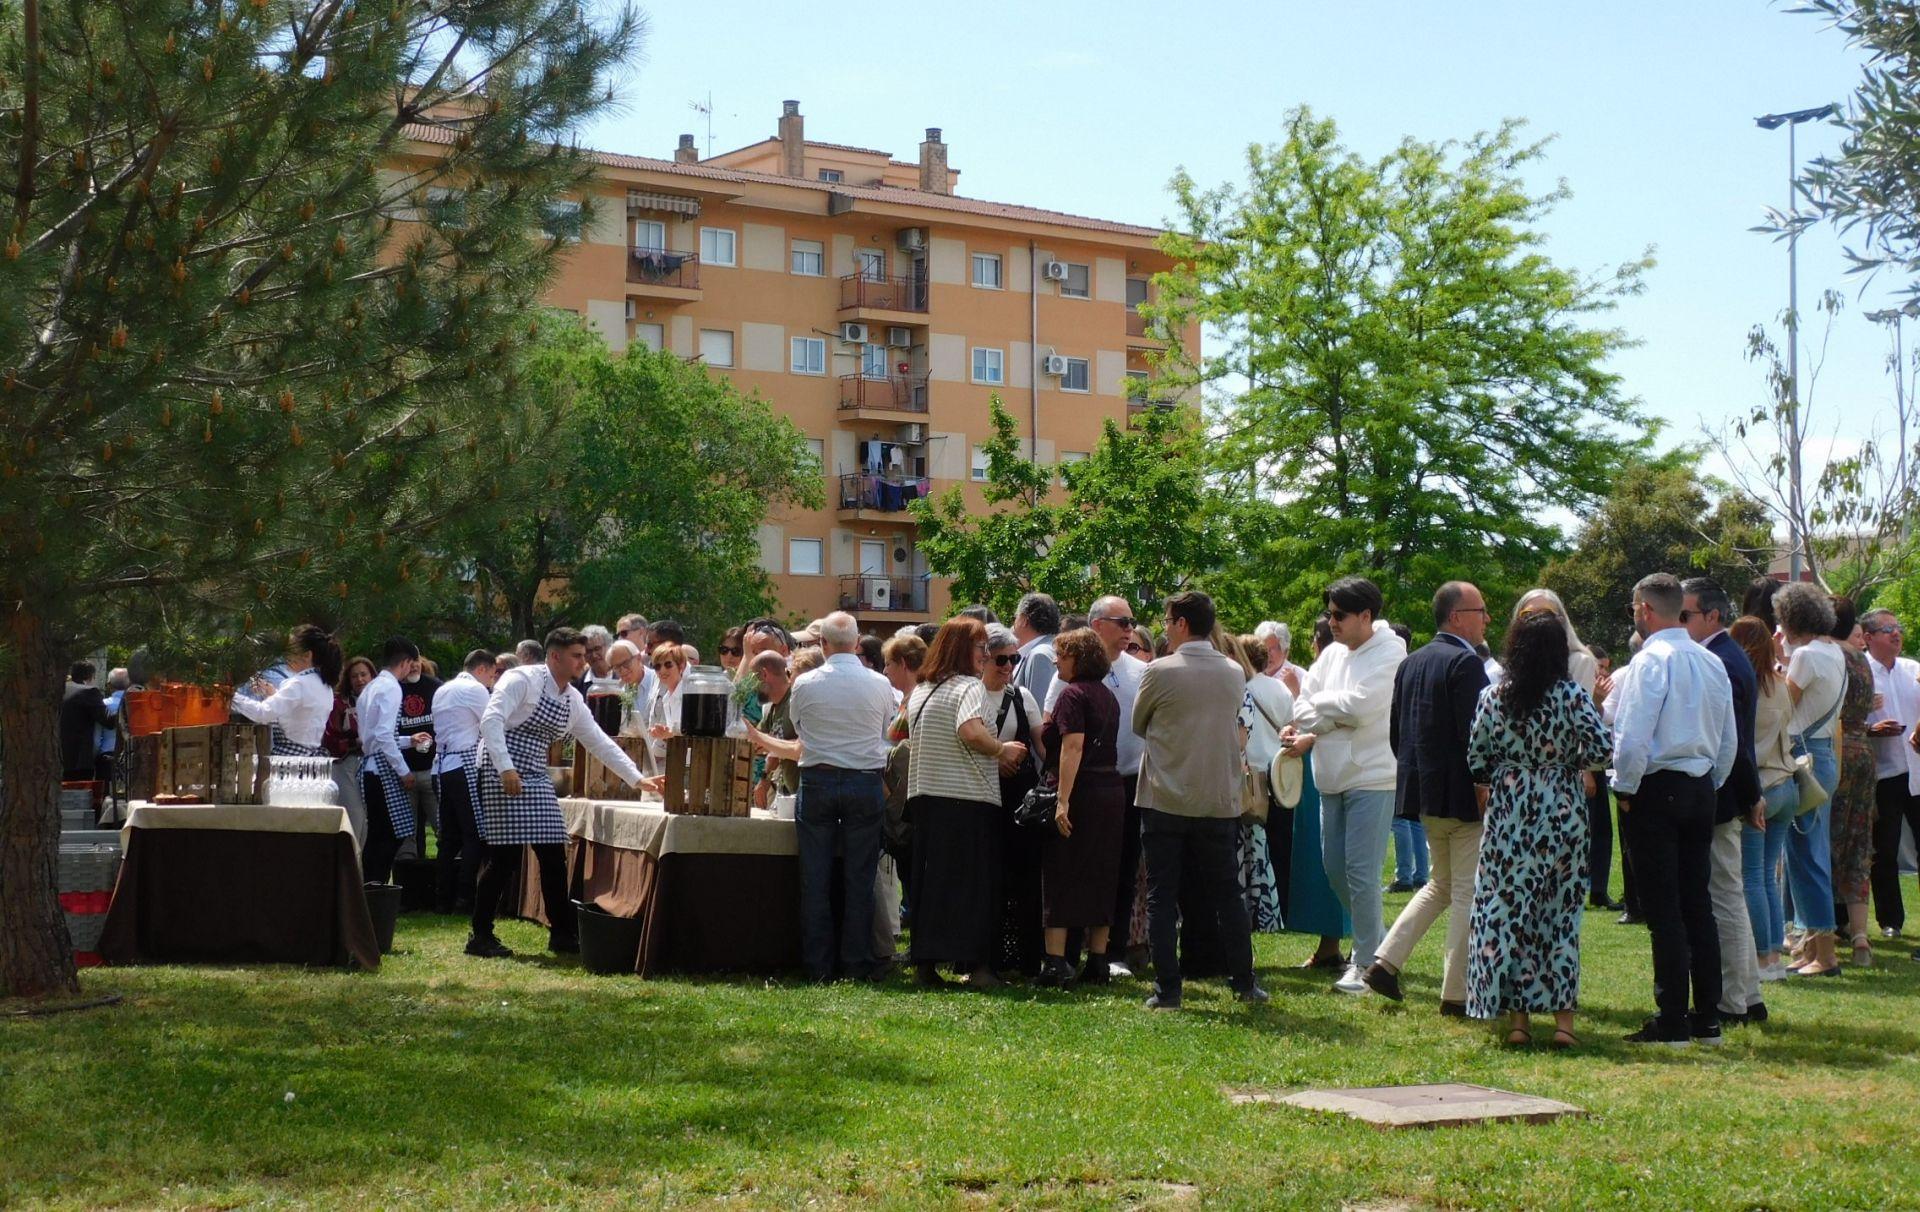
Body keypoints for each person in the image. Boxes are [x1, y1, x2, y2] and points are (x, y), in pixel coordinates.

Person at [1464, 610, 1614, 1048]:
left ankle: (1518, 1022)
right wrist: (1571, 766)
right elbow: (1603, 748)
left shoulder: (1493, 697)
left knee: (1512, 910)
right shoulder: (1572, 696)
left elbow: (1476, 757)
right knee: (1561, 914)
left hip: (1510, 809)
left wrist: (1508, 771)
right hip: (1563, 808)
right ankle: (1564, 1025)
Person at [1611, 572, 1738, 1047]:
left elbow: (1633, 732)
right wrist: (1713, 779)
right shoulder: (1710, 661)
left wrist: (1624, 787)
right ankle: (1706, 1016)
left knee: (1665, 910)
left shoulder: (1651, 661)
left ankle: (1671, 1018)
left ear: (1644, 609)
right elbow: (1728, 736)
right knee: (1697, 904)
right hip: (1701, 784)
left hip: (1657, 785)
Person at [468, 628, 644, 957]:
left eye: (584, 654)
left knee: (553, 855)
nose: (584, 661)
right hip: (498, 768)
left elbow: (599, 742)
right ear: (554, 656)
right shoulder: (521, 680)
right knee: (503, 858)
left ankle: (561, 934)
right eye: (577, 655)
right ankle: (479, 936)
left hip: (534, 774)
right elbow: (490, 721)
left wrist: (637, 779)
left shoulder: (571, 698)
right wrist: (506, 768)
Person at [1133, 591, 1267, 1009]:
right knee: (1227, 894)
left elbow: (1140, 722)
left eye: (1168, 620)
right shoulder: (1233, 672)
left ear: (1181, 624)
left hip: (1165, 795)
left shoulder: (1159, 671)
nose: (1164, 628)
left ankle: (1167, 989)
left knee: (1161, 895)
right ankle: (1245, 981)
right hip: (1217, 798)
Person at [1364, 581, 1491, 1014]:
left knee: (1440, 884)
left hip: (1422, 793)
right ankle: (1455, 994)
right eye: (1480, 611)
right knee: (1465, 892)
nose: (1486, 619)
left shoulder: (1411, 661)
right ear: (1457, 617)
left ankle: (1385, 961)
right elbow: (1476, 737)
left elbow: (1398, 733)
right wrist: (1482, 783)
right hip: (1462, 796)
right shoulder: (1467, 664)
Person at [1289, 576, 1407, 995]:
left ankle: (1367, 964)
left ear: (1366, 616)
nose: (1332, 623)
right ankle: (1382, 945)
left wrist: (1326, 711)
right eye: (1330, 614)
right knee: (1335, 871)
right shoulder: (1331, 656)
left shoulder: (1390, 652)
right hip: (1330, 776)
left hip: (1372, 777)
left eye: (1339, 615)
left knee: (1360, 872)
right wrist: (1331, 714)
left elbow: (1361, 707)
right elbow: (1300, 708)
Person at [905, 617, 1028, 989]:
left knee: (932, 886)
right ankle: (978, 968)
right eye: (980, 648)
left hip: (927, 798)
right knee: (975, 887)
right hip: (969, 800)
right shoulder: (969, 688)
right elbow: (970, 730)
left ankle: (925, 964)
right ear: (962, 650)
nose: (985, 655)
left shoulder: (924, 689)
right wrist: (1002, 750)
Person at [788, 612, 898, 982]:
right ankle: (856, 962)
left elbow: (800, 728)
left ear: (822, 645)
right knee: (860, 877)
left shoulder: (805, 683)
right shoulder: (880, 684)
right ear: (856, 643)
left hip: (817, 779)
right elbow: (886, 728)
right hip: (864, 780)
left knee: (814, 878)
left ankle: (818, 965)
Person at [1681, 577, 1766, 1024]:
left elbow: (1731, 743)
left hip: (1720, 793)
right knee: (1727, 894)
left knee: (1724, 896)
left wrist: (1749, 794)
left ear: (1712, 616)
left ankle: (1735, 1000)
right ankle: (1747, 994)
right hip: (1728, 791)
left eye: (1686, 615)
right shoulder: (1722, 656)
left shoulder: (1721, 660)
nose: (1680, 623)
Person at [1066, 596, 1152, 975]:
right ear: (1098, 624)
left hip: (1130, 783)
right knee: (1077, 868)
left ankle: (1112, 952)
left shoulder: (1142, 671)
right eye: (1123, 622)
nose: (1130, 630)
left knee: (1122, 868)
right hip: (1083, 785)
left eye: (1132, 622)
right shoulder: (1068, 674)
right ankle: (1066, 953)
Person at [1036, 628, 1125, 987]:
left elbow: (1072, 748)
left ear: (1078, 658)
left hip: (1082, 790)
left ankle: (1056, 963)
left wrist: (1062, 801)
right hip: (1111, 790)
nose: (1056, 660)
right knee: (1103, 873)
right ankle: (1098, 961)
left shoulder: (1071, 695)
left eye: (1062, 654)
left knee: (1061, 871)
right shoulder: (1108, 696)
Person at [1279, 615, 1353, 969]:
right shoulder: (1324, 674)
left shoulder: (1340, 673)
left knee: (1336, 861)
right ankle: (1330, 945)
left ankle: (1357, 945)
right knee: (1326, 861)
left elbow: (1348, 717)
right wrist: (1297, 728)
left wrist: (1309, 734)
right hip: (1321, 771)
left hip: (1339, 773)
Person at [1778, 582, 1843, 976]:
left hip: (1804, 757)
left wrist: (1776, 663)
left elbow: (1785, 706)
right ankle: (1811, 947)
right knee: (1806, 855)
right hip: (1822, 754)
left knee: (1806, 857)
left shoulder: (1804, 655)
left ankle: (1826, 955)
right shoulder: (1833, 651)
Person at [1733, 615, 1798, 984]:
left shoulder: (1747, 687)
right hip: (1786, 782)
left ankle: (1764, 957)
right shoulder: (1780, 684)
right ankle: (1774, 953)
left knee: (1753, 877)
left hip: (1760, 786)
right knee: (1768, 876)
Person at [983, 624, 1046, 976]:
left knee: (1024, 879)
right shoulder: (971, 695)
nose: (1008, 666)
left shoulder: (1023, 696)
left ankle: (1026, 959)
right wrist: (999, 757)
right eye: (1001, 659)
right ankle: (988, 957)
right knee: (990, 878)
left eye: (1013, 658)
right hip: (986, 796)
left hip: (1021, 802)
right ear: (984, 659)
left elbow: (1041, 743)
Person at [1825, 596, 1879, 965]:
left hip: (1837, 748)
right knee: (1859, 842)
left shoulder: (1830, 655)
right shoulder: (1861, 658)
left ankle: (1817, 930)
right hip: (1864, 751)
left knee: (1822, 838)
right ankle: (1860, 936)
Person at [1863, 608, 1920, 938]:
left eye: (1897, 628)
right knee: (1884, 851)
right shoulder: (1861, 673)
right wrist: (1873, 729)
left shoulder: (1913, 670)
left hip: (1916, 771)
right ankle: (1890, 921)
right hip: (1884, 774)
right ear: (1869, 638)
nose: (1896, 634)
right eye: (1887, 629)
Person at [431, 650, 496, 915]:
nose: (492, 681)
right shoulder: (475, 689)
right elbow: (490, 724)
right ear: (481, 669)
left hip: (441, 765)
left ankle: (442, 897)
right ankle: (464, 896)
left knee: (449, 837)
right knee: (473, 835)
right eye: (492, 675)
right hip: (463, 764)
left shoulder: (443, 689)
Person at [357, 638, 424, 886]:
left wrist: (408, 740)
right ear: (406, 662)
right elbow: (384, 735)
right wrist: (404, 771)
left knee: (378, 834)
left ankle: (371, 886)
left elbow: (374, 736)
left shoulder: (372, 687)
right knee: (389, 835)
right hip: (382, 770)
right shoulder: (392, 688)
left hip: (371, 766)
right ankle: (376, 887)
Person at [1235, 635, 1290, 933]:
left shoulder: (1243, 690)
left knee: (1252, 850)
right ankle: (1277, 906)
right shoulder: (1279, 687)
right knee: (1278, 848)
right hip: (1278, 775)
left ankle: (1254, 909)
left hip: (1250, 778)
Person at [231, 626, 344, 758]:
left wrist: (231, 696)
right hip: (310, 762)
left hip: (289, 762)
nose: (287, 655)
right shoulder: (325, 686)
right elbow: (298, 717)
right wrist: (273, 694)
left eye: (291, 649)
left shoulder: (299, 683)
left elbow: (262, 713)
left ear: (307, 655)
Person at [327, 657, 374, 846]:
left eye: (364, 674)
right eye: (355, 676)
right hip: (345, 764)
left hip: (372, 765)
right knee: (354, 818)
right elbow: (330, 739)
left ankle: (362, 870)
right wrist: (355, 742)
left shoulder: (380, 700)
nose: (360, 679)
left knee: (369, 822)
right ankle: (350, 869)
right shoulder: (339, 703)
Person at [60, 663, 116, 782]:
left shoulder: (61, 689)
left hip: (57, 756)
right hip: (79, 758)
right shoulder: (89, 692)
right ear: (91, 676)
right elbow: (108, 721)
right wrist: (122, 707)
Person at [1013, 592, 1062, 711]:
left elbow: (1038, 712)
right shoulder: (1051, 648)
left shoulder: (1040, 655)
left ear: (1024, 620)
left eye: (1015, 617)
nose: (1013, 623)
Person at [645, 642, 686, 767]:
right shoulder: (666, 698)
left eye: (668, 665)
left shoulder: (689, 695)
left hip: (691, 763)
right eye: (657, 666)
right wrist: (660, 736)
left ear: (682, 666)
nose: (662, 670)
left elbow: (692, 737)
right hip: (674, 762)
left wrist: (669, 735)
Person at [1255, 620, 1306, 695]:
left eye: (1271, 649)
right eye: (1263, 649)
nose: (1267, 654)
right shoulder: (1253, 676)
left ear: (1285, 651)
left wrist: (1295, 692)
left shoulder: (1301, 676)